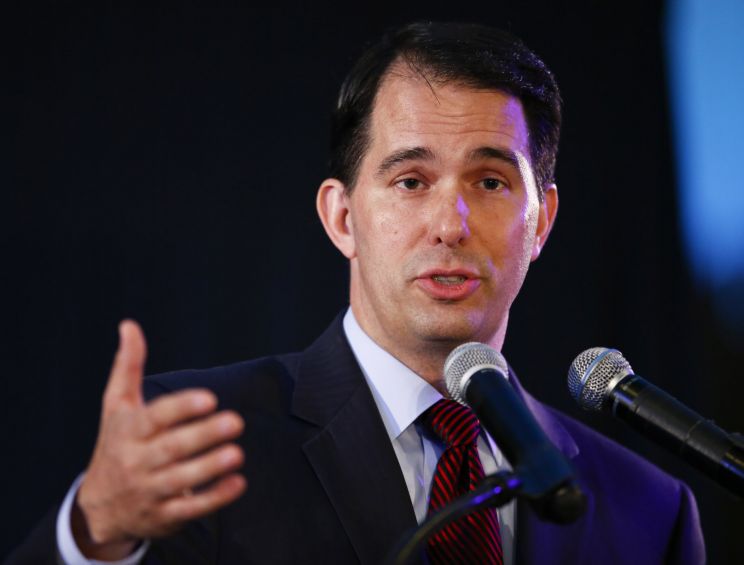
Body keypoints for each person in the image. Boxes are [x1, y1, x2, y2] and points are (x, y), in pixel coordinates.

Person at [8, 21, 705, 564]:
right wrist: (94, 532)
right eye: (411, 181)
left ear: (542, 221)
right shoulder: (199, 445)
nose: (450, 223)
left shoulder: (648, 508)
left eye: (490, 181)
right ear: (342, 218)